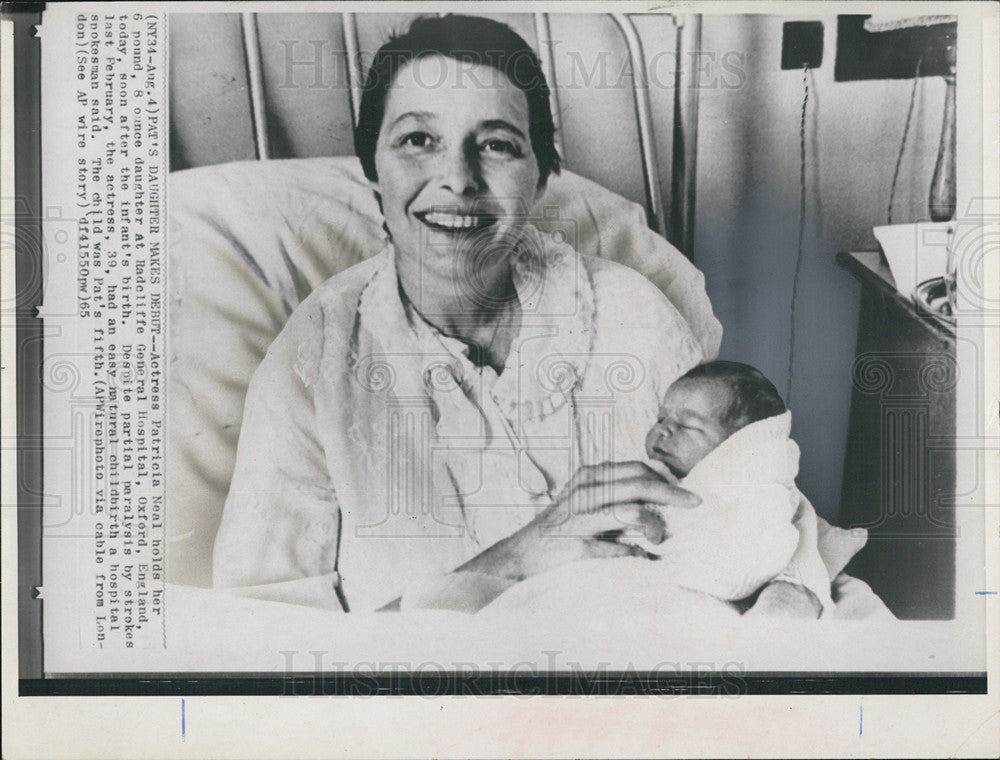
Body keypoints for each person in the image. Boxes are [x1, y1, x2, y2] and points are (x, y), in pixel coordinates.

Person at [212, 15, 822, 617]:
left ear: (540, 179)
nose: (456, 179)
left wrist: (787, 604)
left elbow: (758, 503)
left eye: (498, 145)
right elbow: (262, 648)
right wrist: (519, 556)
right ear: (374, 172)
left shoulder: (634, 316)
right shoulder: (312, 364)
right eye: (417, 140)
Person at [471, 361, 835, 617]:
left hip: (672, 594)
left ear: (738, 446)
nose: (662, 431)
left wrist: (669, 562)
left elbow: (743, 566)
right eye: (661, 418)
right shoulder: (651, 474)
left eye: (688, 426)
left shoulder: (753, 493)